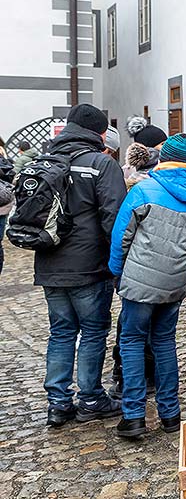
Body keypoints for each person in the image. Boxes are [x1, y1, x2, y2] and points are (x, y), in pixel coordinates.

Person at [33, 104, 127, 427]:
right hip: (89, 267)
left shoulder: (44, 163)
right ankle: (89, 397)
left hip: (49, 265)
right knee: (93, 331)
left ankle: (58, 403)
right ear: (101, 134)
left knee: (60, 333)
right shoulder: (102, 164)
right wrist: (117, 264)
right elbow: (115, 221)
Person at [109, 134, 186, 438]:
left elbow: (122, 236)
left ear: (164, 157)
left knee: (132, 342)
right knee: (164, 342)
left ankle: (134, 415)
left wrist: (116, 272)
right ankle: (170, 414)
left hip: (139, 282)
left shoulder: (145, 189)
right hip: (173, 283)